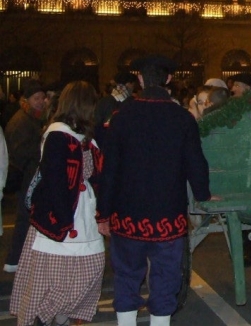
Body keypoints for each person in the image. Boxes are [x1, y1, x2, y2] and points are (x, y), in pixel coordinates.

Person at [98, 55, 211, 326]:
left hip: (128, 214)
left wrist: (103, 212)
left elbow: (109, 168)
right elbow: (196, 162)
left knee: (127, 273)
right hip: (168, 214)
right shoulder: (182, 118)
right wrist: (204, 194)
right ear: (169, 79)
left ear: (139, 79)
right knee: (166, 274)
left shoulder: (121, 117)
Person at [10, 81, 105, 326]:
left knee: (85, 273)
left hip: (81, 214)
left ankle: (60, 318)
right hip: (60, 220)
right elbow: (54, 182)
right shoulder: (57, 135)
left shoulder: (84, 135)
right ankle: (47, 319)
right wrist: (63, 220)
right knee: (55, 282)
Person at [4, 79, 47, 273]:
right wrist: (41, 148)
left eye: (42, 97)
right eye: (36, 98)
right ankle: (14, 259)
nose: (40, 101)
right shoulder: (23, 120)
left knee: (27, 219)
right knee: (24, 219)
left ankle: (19, 258)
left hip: (27, 176)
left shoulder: (32, 117)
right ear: (26, 100)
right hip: (25, 178)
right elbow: (19, 152)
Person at [94, 71, 139, 149]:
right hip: (125, 146)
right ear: (128, 84)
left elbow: (96, 124)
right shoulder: (133, 103)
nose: (133, 88)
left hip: (105, 145)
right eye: (133, 85)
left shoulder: (103, 101)